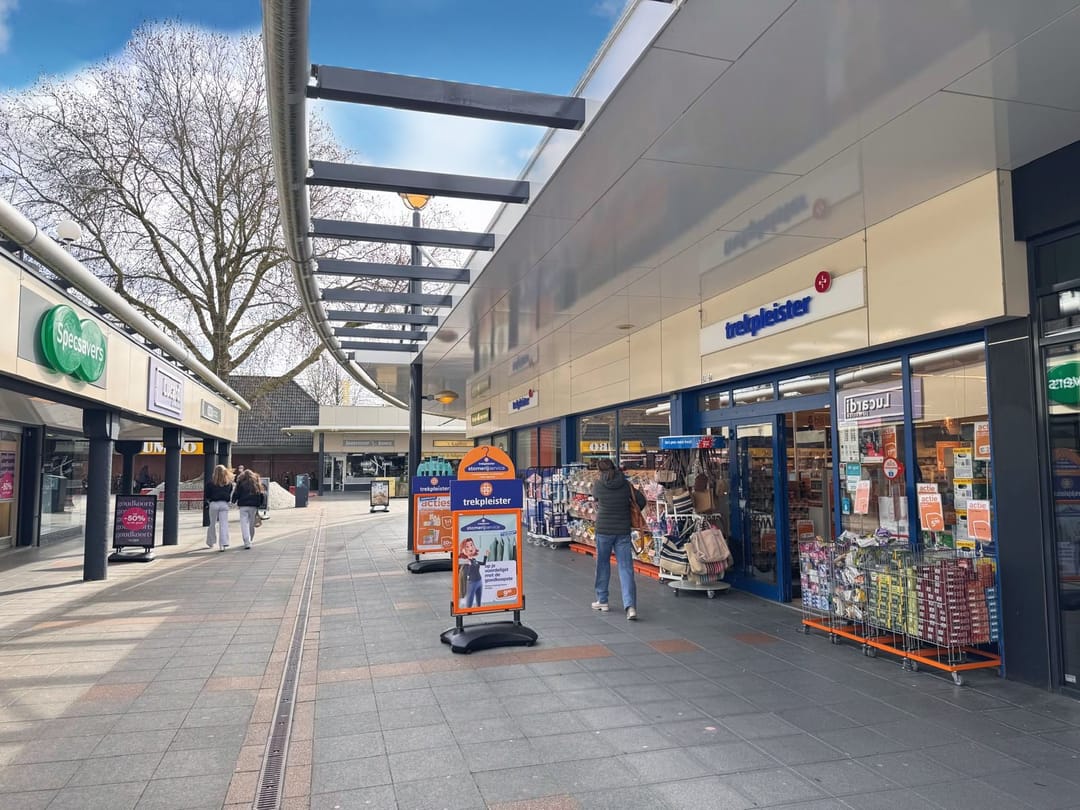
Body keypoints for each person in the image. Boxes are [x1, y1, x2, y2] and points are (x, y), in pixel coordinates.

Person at [591, 457, 646, 620]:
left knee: (602, 565)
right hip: (622, 530)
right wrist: (627, 509)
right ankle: (630, 607)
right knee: (626, 568)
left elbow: (596, 499)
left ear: (600, 471)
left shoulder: (598, 485)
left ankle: (602, 600)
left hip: (603, 530)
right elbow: (641, 501)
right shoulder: (626, 485)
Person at [232, 469, 265, 549]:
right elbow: (261, 494)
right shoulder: (256, 482)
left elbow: (236, 493)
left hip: (243, 505)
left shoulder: (240, 482)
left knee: (244, 524)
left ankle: (247, 541)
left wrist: (233, 500)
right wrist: (260, 504)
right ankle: (250, 539)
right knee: (251, 524)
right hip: (253, 506)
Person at [204, 464, 234, 551]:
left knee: (212, 523)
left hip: (213, 504)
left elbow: (207, 495)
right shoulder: (229, 484)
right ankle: (223, 544)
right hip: (224, 504)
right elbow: (229, 493)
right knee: (224, 524)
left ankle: (211, 541)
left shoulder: (210, 484)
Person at [459, 538, 487, 608]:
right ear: (463, 550)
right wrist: (467, 560)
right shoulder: (465, 562)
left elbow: (483, 563)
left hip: (479, 581)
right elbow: (464, 573)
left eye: (471, 545)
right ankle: (468, 611)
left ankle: (478, 609)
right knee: (469, 604)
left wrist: (486, 555)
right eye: (467, 546)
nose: (470, 548)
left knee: (479, 603)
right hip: (472, 583)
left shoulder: (474, 560)